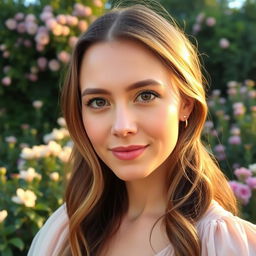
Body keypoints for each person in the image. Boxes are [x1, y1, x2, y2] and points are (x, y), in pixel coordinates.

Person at [28, 2, 256, 256]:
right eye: (99, 102)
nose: (122, 127)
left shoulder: (229, 246)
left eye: (145, 96)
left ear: (186, 104)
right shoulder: (64, 233)